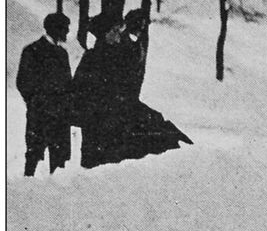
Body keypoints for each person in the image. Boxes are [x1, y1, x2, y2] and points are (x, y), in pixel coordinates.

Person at [69, 11, 190, 168]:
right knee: (107, 165)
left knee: (157, 126)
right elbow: (80, 92)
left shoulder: (117, 55)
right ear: (104, 34)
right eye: (114, 31)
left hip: (117, 114)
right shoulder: (92, 58)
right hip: (101, 123)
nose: (118, 34)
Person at [17, 12, 73, 175]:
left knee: (59, 158)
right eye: (65, 28)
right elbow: (23, 81)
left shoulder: (62, 53)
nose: (67, 32)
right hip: (40, 113)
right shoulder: (32, 51)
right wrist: (35, 101)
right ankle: (26, 185)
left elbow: (68, 83)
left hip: (60, 113)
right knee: (33, 154)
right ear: (55, 29)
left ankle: (55, 187)